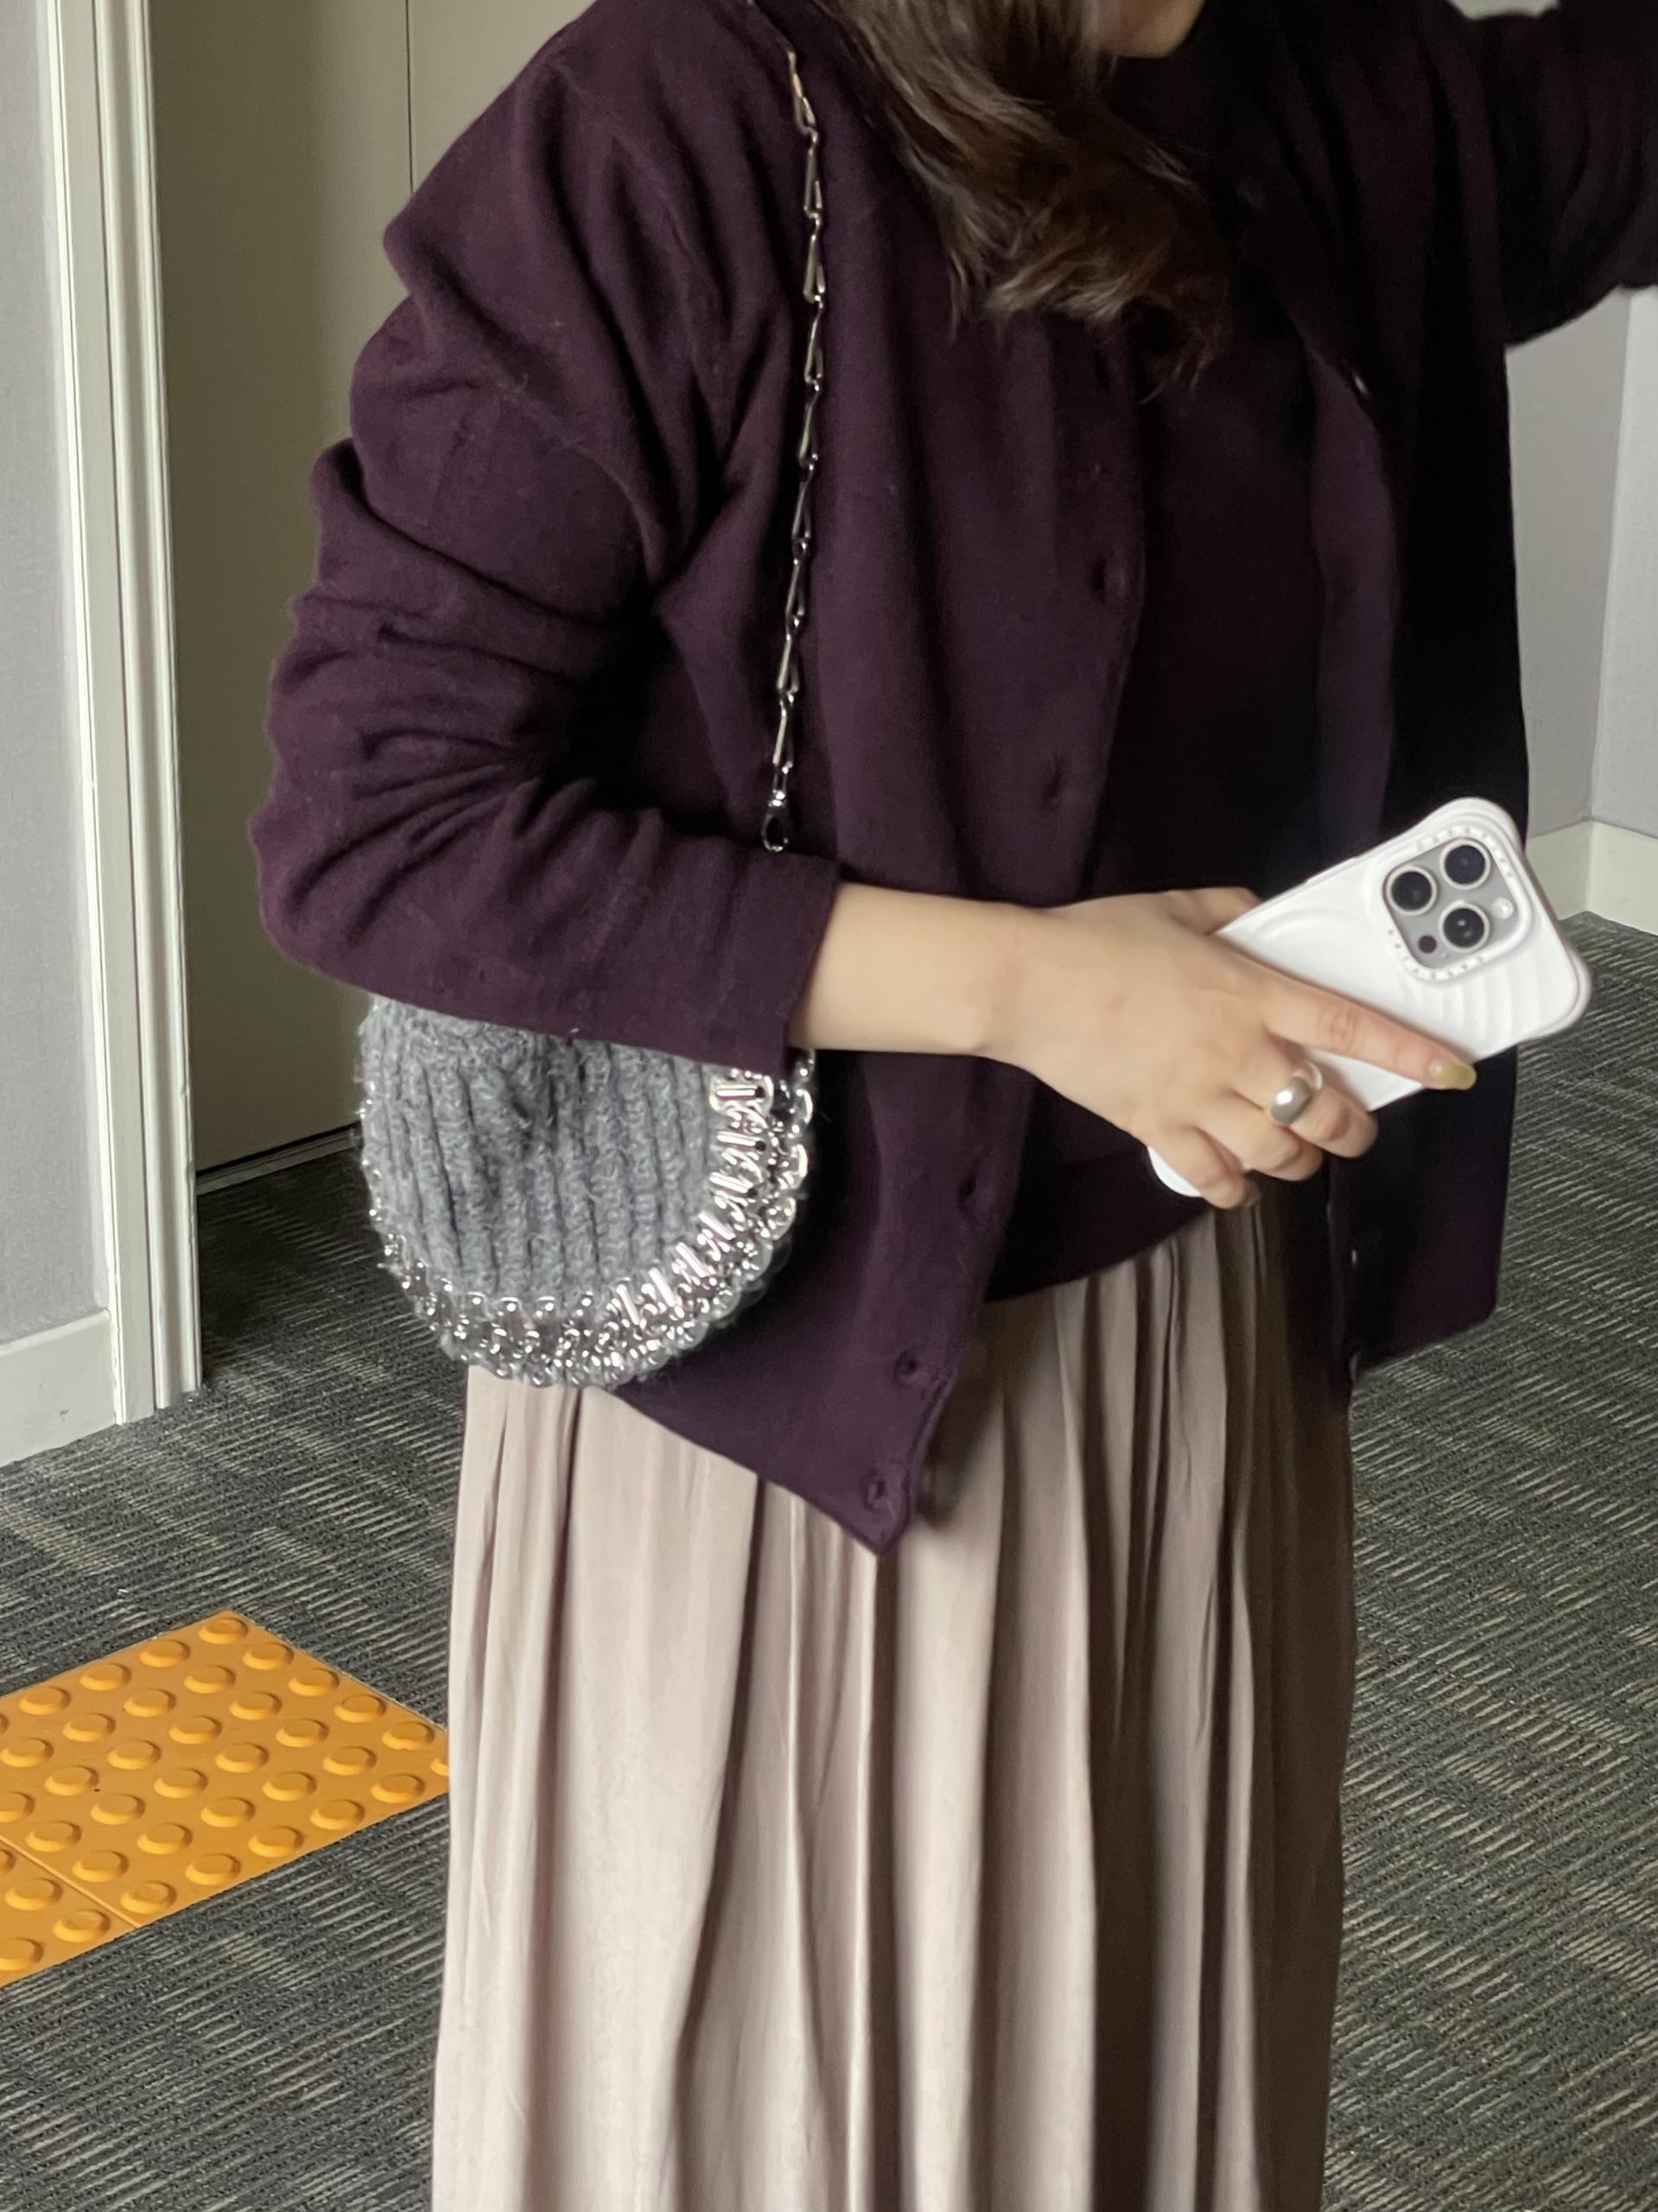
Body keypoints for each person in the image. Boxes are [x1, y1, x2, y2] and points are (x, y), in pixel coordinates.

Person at [248, 0, 1657, 2203]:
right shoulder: (681, 125)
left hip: (1190, 1330)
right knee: (764, 2111)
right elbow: (377, 823)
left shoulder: (1333, 90)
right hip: (790, 1396)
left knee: (1141, 2057)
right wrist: (1037, 992)